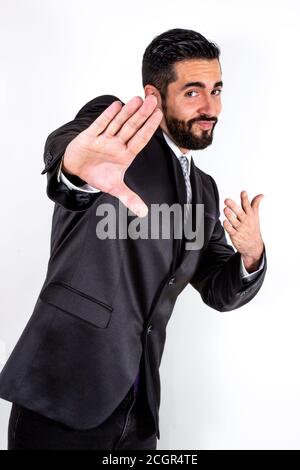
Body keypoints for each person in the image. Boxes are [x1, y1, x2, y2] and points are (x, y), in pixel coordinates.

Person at [0, 28, 267, 450]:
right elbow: (70, 149)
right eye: (193, 92)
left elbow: (219, 287)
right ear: (155, 95)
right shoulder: (115, 132)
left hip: (139, 412)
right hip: (63, 395)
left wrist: (251, 257)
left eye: (216, 90)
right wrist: (73, 167)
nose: (211, 106)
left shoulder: (206, 190)